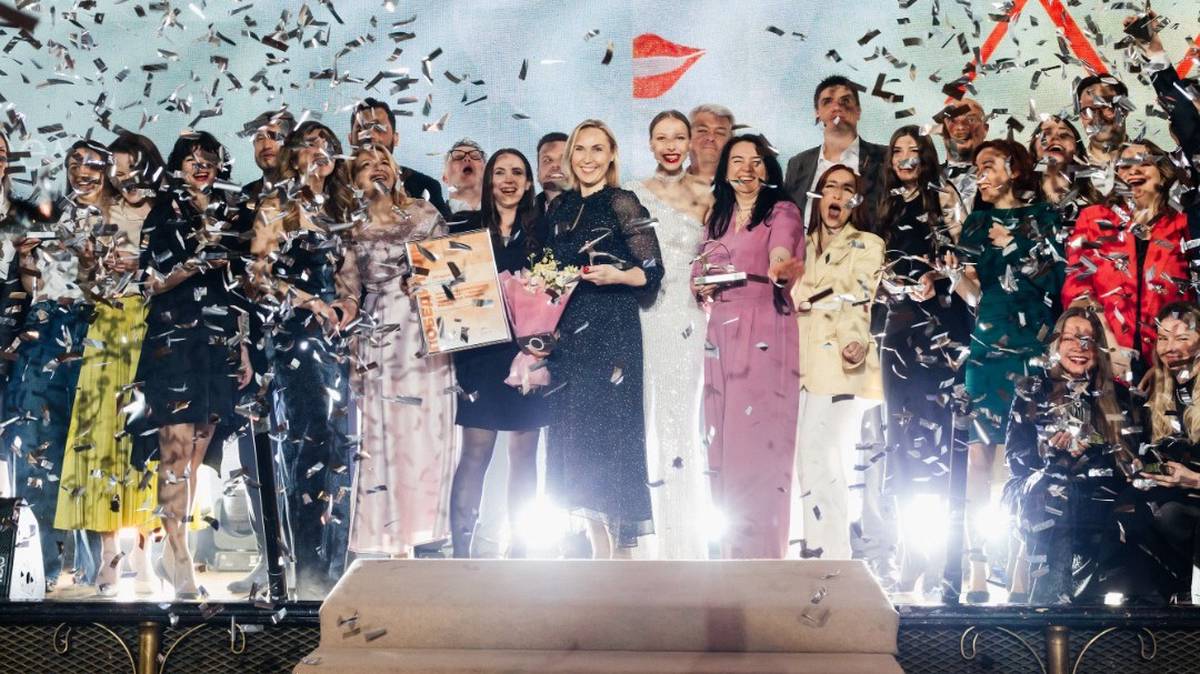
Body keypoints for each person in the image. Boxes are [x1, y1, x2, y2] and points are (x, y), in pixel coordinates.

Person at [129, 131, 254, 600]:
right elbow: (150, 283)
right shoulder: (163, 212)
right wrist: (197, 261)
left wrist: (243, 346)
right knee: (174, 454)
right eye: (191, 159)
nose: (201, 166)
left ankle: (171, 549)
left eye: (209, 159)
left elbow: (241, 286)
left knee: (198, 453)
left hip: (218, 342)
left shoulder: (233, 211)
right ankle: (179, 555)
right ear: (177, 167)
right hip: (173, 341)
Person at [542, 119, 662, 558]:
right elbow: (549, 273)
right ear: (569, 155)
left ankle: (623, 552)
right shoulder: (559, 208)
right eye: (580, 149)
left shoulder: (622, 202)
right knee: (575, 435)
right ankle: (598, 547)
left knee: (613, 433)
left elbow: (652, 272)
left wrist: (618, 275)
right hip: (571, 335)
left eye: (598, 149)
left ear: (611, 155)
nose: (588, 158)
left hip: (613, 330)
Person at [952, 138, 1065, 601]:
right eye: (976, 168)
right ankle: (975, 567)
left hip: (1034, 346)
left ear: (1014, 169)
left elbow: (1055, 281)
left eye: (988, 165)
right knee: (978, 458)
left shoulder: (1046, 217)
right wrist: (953, 274)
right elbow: (974, 294)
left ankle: (1022, 563)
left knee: (1028, 456)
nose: (980, 175)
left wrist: (1016, 243)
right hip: (986, 348)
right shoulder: (975, 224)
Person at [251, 121, 359, 598]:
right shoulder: (276, 205)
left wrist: (346, 304)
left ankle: (335, 567)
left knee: (338, 447)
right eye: (310, 144)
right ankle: (308, 569)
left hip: (334, 338)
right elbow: (258, 275)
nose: (320, 152)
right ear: (293, 155)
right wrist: (307, 300)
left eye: (327, 145)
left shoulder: (341, 209)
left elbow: (349, 275)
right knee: (307, 444)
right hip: (293, 336)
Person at [55, 132, 164, 597]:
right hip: (108, 326)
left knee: (146, 441)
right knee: (101, 442)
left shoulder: (166, 212)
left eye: (130, 167)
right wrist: (93, 268)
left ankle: (144, 555)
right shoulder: (100, 213)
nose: (124, 177)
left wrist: (142, 268)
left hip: (154, 329)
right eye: (117, 170)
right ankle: (107, 557)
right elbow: (87, 283)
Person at [694, 133, 804, 559]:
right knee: (720, 436)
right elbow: (701, 269)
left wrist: (780, 267)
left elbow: (781, 251)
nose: (746, 168)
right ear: (725, 171)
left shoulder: (781, 211)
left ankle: (762, 553)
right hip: (720, 328)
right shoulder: (717, 218)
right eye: (737, 160)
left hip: (764, 324)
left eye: (755, 161)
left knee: (757, 438)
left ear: (767, 169)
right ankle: (729, 550)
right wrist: (701, 284)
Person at [346, 146, 455, 559]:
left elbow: (453, 269)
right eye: (366, 166)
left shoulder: (425, 214)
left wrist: (428, 279)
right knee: (385, 432)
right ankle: (394, 542)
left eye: (383, 163)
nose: (377, 169)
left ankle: (428, 532)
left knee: (426, 430)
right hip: (378, 333)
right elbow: (348, 289)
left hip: (425, 331)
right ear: (354, 179)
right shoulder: (350, 226)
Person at [877, 126, 972, 592]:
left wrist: (936, 276)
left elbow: (966, 256)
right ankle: (910, 552)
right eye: (897, 151)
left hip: (943, 331)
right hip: (897, 335)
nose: (904, 159)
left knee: (943, 442)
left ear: (928, 157)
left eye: (913, 151)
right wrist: (889, 283)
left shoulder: (946, 197)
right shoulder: (883, 205)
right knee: (902, 441)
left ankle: (945, 557)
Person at [2, 140, 97, 595]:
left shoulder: (37, 214)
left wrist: (30, 263)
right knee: (26, 446)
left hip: (49, 337)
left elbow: (47, 283)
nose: (82, 170)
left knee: (50, 446)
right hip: (28, 337)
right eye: (74, 163)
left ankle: (55, 564)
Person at [444, 149, 546, 558]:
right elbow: (444, 288)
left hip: (527, 356)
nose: (508, 180)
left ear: (528, 182)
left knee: (524, 455)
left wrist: (540, 349)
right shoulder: (463, 228)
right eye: (500, 172)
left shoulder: (543, 232)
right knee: (475, 452)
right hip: (480, 355)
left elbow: (557, 292)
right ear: (489, 182)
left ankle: (520, 552)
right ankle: (461, 554)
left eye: (517, 173)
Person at [624, 110, 711, 559]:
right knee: (645, 420)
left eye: (679, 137)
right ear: (650, 144)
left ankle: (684, 543)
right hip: (644, 316)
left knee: (682, 421)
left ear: (690, 142)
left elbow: (718, 253)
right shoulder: (633, 194)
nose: (671, 146)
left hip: (689, 319)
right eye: (662, 138)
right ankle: (646, 543)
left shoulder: (708, 195)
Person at [1003, 307, 1134, 604]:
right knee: (1055, 488)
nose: (1080, 347)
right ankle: (1051, 604)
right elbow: (1016, 461)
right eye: (1071, 338)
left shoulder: (1118, 397)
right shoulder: (1032, 390)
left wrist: (1091, 451)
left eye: (1088, 339)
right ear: (1056, 344)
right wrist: (1053, 457)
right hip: (1033, 490)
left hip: (1094, 492)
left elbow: (1127, 462)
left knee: (1076, 494)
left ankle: (1070, 604)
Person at [792, 164, 885, 561]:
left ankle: (831, 554)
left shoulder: (868, 244)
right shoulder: (800, 244)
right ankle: (807, 546)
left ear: (856, 201)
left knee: (825, 457)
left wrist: (854, 342)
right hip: (796, 364)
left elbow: (858, 298)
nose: (838, 194)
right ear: (818, 195)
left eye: (848, 189)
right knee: (804, 459)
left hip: (839, 366)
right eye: (830, 186)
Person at [227, 107, 296, 595]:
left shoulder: (315, 196)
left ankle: (313, 556)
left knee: (302, 452)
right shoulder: (244, 200)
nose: (266, 143)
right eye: (258, 137)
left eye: (275, 135)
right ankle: (269, 557)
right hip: (255, 341)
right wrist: (242, 344)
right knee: (255, 457)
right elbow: (236, 281)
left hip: (306, 339)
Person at [1062, 140, 1192, 386]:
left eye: (1144, 163)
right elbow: (1077, 289)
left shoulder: (1183, 222)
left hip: (1172, 362)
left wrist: (1166, 359)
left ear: (1163, 173)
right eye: (1124, 166)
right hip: (1106, 361)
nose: (1134, 170)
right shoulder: (1093, 218)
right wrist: (1111, 349)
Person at [784, 75, 887, 223]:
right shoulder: (798, 164)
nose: (837, 107)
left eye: (845, 101)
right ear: (817, 112)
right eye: (827, 101)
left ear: (858, 111)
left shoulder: (885, 158)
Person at [349, 97, 449, 216]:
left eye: (379, 128)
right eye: (361, 129)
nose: (370, 135)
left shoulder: (426, 186)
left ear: (396, 138)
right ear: (350, 139)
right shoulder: (333, 186)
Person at [1027, 115, 1100, 220]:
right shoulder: (1015, 201)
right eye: (1046, 133)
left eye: (1064, 134)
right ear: (1034, 149)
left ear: (1077, 150)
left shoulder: (1100, 203)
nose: (1056, 138)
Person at [936, 98, 989, 214]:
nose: (960, 127)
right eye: (952, 120)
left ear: (985, 129)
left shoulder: (1002, 179)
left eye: (971, 119)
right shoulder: (925, 179)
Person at [1075, 74, 1130, 167]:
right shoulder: (1070, 170)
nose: (1098, 117)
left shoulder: (1153, 160)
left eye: (1106, 107)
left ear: (1125, 109)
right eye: (1087, 111)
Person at [686, 104, 735, 183]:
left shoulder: (746, 187)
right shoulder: (667, 186)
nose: (711, 137)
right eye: (702, 130)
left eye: (719, 133)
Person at [443, 139, 486, 213]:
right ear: (445, 177)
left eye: (475, 156)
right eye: (458, 157)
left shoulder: (505, 215)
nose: (467, 159)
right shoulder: (428, 217)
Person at [535, 132, 567, 214]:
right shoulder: (521, 217)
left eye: (564, 159)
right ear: (538, 173)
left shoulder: (594, 208)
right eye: (547, 160)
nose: (555, 165)